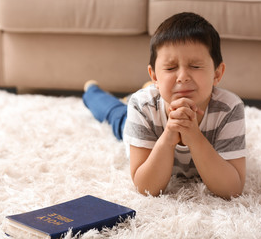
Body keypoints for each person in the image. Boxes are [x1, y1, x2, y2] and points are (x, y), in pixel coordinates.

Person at [83, 12, 246, 199]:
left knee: (143, 98)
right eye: (170, 68)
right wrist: (169, 136)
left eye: (195, 66)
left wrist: (193, 135)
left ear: (217, 74)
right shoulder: (142, 107)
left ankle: (153, 89)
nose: (183, 76)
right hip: (143, 113)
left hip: (157, 97)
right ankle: (92, 91)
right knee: (116, 115)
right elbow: (145, 188)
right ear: (154, 76)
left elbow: (232, 189)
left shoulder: (230, 108)